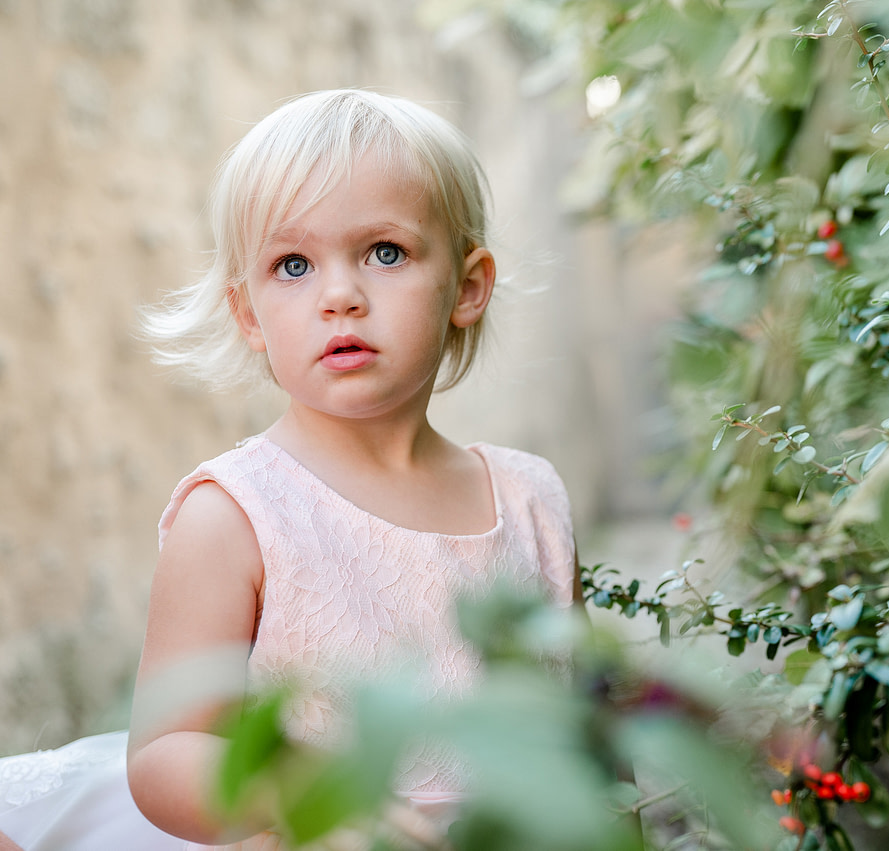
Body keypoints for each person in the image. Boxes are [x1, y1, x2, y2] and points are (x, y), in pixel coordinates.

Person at [0, 89, 579, 850]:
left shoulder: (530, 499)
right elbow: (168, 752)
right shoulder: (235, 514)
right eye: (293, 265)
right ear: (249, 314)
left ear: (467, 287)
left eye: (385, 252)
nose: (340, 296)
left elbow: (594, 733)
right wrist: (320, 806)